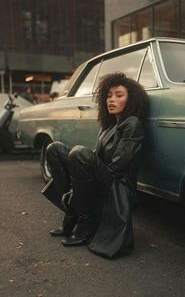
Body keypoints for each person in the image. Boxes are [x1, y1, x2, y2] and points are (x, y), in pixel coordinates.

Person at [42, 72, 149, 258]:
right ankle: (72, 213)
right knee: (55, 149)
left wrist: (79, 188)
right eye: (108, 96)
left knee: (78, 153)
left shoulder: (133, 124)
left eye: (119, 95)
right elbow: (92, 159)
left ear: (131, 100)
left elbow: (117, 167)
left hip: (117, 185)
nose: (112, 100)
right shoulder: (107, 127)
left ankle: (86, 223)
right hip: (102, 178)